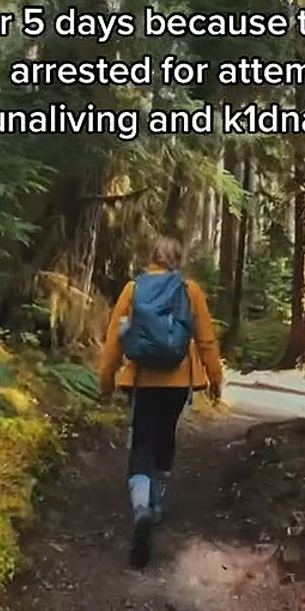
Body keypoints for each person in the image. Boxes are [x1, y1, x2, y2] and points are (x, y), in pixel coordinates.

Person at [96, 235, 225, 568]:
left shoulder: (132, 289)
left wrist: (106, 381)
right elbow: (207, 340)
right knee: (165, 436)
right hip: (178, 382)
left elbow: (113, 341)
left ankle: (139, 508)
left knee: (141, 438)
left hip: (141, 380)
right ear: (178, 259)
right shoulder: (189, 290)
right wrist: (215, 380)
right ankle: (156, 506)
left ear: (151, 257)